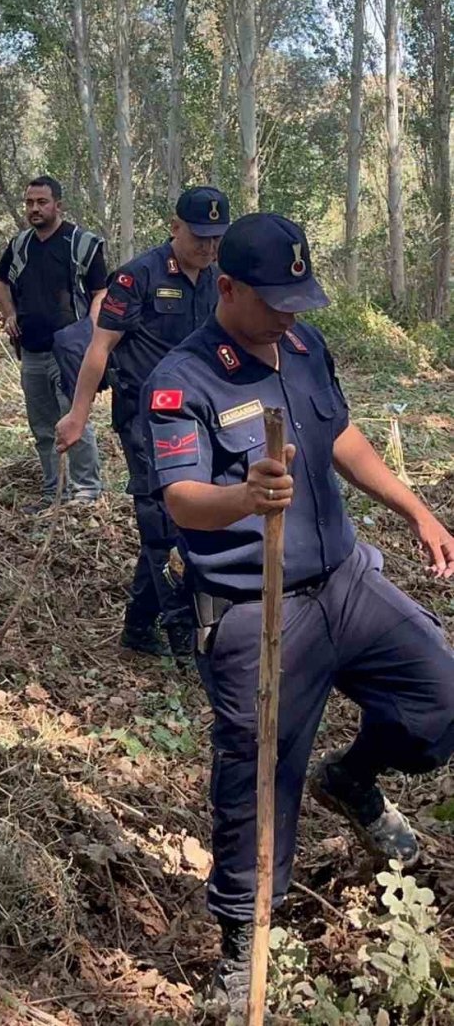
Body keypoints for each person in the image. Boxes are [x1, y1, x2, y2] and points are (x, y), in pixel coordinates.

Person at [142, 212, 454, 1015]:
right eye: (275, 299)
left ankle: (352, 781)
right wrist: (243, 496)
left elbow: (340, 436)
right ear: (229, 287)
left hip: (346, 581)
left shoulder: (307, 348)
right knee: (258, 778)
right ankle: (240, 943)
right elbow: (181, 498)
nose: (290, 314)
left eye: (299, 298)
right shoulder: (184, 379)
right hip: (256, 605)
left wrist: (415, 510)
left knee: (436, 702)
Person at [56, 186, 230, 662]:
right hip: (145, 418)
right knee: (160, 523)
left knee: (188, 520)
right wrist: (77, 414)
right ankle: (181, 634)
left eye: (216, 239)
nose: (208, 248)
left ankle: (137, 626)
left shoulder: (221, 279)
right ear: (175, 228)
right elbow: (99, 349)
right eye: (199, 238)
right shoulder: (138, 278)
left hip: (201, 418)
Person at [0, 175, 107, 506]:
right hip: (32, 352)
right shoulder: (20, 246)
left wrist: (92, 330)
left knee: (75, 421)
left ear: (58, 204)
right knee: (42, 427)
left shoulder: (81, 244)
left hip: (69, 353)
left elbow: (101, 291)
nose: (34, 209)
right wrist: (9, 313)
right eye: (29, 202)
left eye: (42, 202)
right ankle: (52, 491)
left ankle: (86, 493)